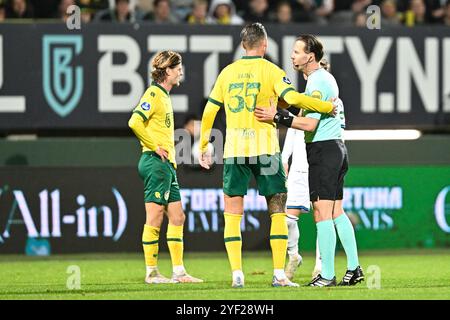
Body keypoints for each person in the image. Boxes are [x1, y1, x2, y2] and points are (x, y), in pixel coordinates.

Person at [198, 23, 336, 288]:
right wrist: (324, 106)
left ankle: (237, 273)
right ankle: (278, 274)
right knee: (277, 211)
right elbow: (293, 98)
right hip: (265, 150)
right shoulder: (272, 71)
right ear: (264, 46)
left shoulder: (227, 73)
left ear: (242, 45)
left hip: (235, 151)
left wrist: (204, 143)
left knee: (232, 214)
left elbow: (209, 111)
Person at [254, 34, 364, 287]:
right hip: (335, 148)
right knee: (336, 212)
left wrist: (276, 117)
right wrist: (284, 108)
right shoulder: (323, 80)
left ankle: (325, 274)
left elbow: (309, 123)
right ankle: (353, 267)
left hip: (323, 151)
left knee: (321, 212)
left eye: (296, 51)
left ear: (310, 56)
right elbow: (304, 112)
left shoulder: (317, 82)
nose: (292, 55)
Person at [128, 50, 203, 284]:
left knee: (177, 216)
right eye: (177, 67)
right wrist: (154, 145)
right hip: (154, 161)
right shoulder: (153, 93)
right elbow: (134, 121)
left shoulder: (164, 95)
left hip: (166, 165)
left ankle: (179, 272)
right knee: (155, 216)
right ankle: (151, 272)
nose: (181, 71)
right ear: (167, 71)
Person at [283, 60, 344, 281]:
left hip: (319, 162)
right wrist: (284, 157)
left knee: (323, 217)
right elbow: (294, 128)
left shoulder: (333, 101)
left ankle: (321, 266)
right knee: (287, 219)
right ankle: (293, 255)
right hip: (299, 169)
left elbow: (336, 132)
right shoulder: (307, 97)